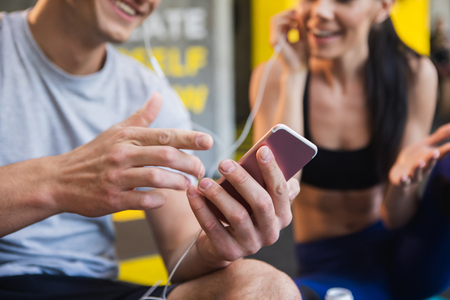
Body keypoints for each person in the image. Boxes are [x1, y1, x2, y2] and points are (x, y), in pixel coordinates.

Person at [0, 0, 303, 299]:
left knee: (267, 288)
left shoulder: (149, 96)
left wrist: (215, 243)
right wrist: (59, 181)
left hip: (92, 286)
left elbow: (180, 250)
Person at [249, 0, 450, 298]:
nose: (321, 11)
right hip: (330, 263)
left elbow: (395, 217)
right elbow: (275, 193)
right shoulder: (274, 75)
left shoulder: (414, 73)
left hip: (410, 253)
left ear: (383, 6)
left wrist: (402, 183)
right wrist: (294, 77)